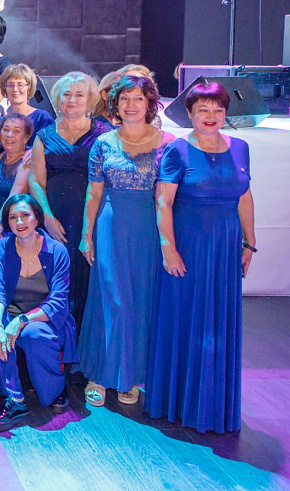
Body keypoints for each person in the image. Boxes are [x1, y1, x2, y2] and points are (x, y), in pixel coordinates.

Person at [146, 82, 255, 433]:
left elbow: (244, 198)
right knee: (187, 319)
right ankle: (180, 401)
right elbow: (163, 203)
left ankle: (212, 402)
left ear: (226, 114)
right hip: (188, 245)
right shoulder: (177, 150)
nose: (211, 116)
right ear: (190, 114)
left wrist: (249, 243)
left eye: (218, 110)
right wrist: (169, 249)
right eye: (203, 110)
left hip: (225, 247)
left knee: (217, 322)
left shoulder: (241, 147)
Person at [78, 75, 173, 408]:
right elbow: (93, 193)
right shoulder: (103, 142)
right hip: (110, 225)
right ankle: (100, 372)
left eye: (138, 98)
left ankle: (129, 374)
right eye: (125, 99)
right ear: (115, 104)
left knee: (140, 299)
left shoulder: (168, 143)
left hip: (147, 227)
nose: (131, 105)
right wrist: (86, 235)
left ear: (149, 104)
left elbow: (169, 198)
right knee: (110, 298)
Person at [0, 195, 76, 432]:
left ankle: (55, 388)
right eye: (13, 217)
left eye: (25, 215)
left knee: (32, 333)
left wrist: (22, 320)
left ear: (36, 218)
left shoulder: (57, 251)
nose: (19, 222)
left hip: (46, 319)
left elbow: (58, 303)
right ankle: (15, 399)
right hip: (11, 313)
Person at [29, 71, 108, 328]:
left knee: (90, 277)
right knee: (58, 278)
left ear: (90, 100)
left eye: (79, 95)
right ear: (58, 99)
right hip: (56, 216)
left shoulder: (105, 134)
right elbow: (35, 181)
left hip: (92, 216)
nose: (72, 100)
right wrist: (47, 218)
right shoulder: (44, 136)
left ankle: (86, 342)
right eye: (67, 94)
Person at [0, 112, 33, 229]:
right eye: (6, 130)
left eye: (16, 131)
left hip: (15, 222)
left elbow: (13, 197)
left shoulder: (27, 163)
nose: (9, 135)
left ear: (26, 138)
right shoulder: (1, 156)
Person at [0, 63, 55, 146]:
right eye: (10, 85)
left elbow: (51, 148)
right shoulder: (0, 117)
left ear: (29, 88)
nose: (15, 89)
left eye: (20, 84)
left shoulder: (42, 118)